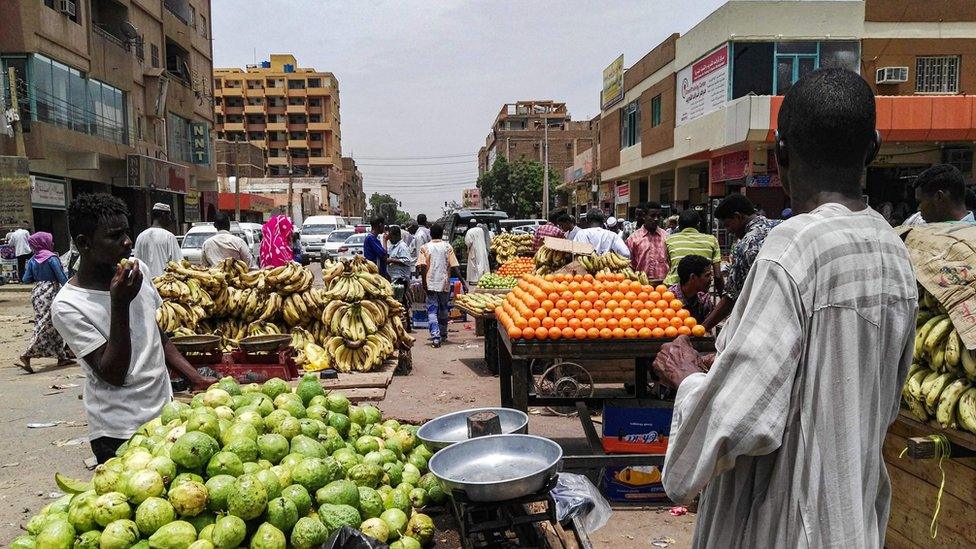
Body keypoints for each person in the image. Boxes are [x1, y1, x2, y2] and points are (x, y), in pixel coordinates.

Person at [652, 68, 916, 547]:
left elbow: (737, 422)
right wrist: (731, 361)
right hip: (850, 518)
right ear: (873, 149)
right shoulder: (891, 248)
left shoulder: (793, 248)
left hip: (787, 527)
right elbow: (854, 381)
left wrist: (688, 377)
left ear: (781, 155)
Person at [52, 194, 216, 463]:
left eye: (127, 232)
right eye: (115, 236)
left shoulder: (138, 271)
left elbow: (153, 333)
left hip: (164, 417)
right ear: (85, 243)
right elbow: (113, 373)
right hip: (118, 431)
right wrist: (119, 304)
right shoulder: (68, 305)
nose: (127, 242)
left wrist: (194, 377)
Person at [702, 194, 778, 330]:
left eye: (728, 225)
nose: (728, 231)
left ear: (738, 216)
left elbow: (731, 297)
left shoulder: (746, 244)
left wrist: (703, 328)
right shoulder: (781, 226)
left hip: (764, 319)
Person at [18, 232, 73, 373]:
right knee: (47, 324)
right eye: (50, 241)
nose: (53, 243)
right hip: (50, 292)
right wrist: (71, 288)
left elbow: (25, 279)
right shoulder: (52, 258)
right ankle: (27, 354)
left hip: (37, 292)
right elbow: (61, 277)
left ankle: (61, 357)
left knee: (51, 324)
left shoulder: (32, 260)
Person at [417, 223, 465, 348]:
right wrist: (463, 282)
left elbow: (422, 267)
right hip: (444, 283)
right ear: (441, 233)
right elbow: (455, 267)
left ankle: (435, 336)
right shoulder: (447, 247)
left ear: (431, 234)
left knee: (432, 310)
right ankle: (443, 334)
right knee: (443, 308)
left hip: (430, 283)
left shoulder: (425, 248)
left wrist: (424, 283)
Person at [663, 210, 722, 294]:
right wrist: (722, 296)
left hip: (673, 293)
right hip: (700, 292)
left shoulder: (669, 240)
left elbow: (670, 266)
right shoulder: (712, 240)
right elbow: (718, 275)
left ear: (679, 226)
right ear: (698, 225)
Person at [133, 203, 182, 279]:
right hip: (164, 284)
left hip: (145, 284)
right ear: (163, 215)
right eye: (169, 215)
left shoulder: (141, 236)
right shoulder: (169, 236)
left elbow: (137, 262)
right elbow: (179, 264)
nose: (170, 219)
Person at [626, 202, 669, 280]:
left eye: (658, 216)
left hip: (663, 286)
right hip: (640, 286)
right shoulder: (633, 239)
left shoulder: (667, 237)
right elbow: (629, 264)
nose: (656, 219)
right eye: (652, 216)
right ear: (644, 216)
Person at [667, 255, 715, 323]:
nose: (711, 279)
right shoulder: (669, 299)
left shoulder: (703, 298)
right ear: (693, 277)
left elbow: (706, 328)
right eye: (707, 275)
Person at [386, 226, 415, 331]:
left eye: (391, 236)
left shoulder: (402, 246)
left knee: (401, 303)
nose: (390, 239)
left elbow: (407, 261)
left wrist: (392, 260)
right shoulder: (393, 246)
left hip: (400, 278)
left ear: (396, 235)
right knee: (399, 302)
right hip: (394, 277)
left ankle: (406, 326)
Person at [463, 218, 490, 286]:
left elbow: (468, 242)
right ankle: (482, 278)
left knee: (474, 265)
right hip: (481, 249)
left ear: (470, 224)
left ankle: (474, 280)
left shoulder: (469, 231)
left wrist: (467, 248)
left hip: (473, 250)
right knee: (482, 263)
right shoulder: (481, 230)